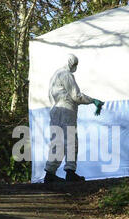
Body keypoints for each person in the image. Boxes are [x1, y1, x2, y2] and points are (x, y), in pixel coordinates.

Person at [44, 54, 104, 183]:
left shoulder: (55, 75)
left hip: (55, 111)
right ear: (72, 63)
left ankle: (50, 174)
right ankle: (70, 172)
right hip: (66, 111)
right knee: (71, 140)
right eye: (75, 64)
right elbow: (76, 96)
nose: (75, 67)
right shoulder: (66, 75)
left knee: (57, 141)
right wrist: (93, 100)